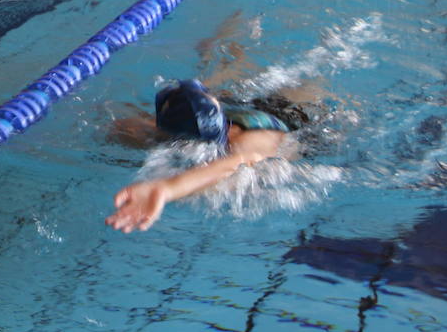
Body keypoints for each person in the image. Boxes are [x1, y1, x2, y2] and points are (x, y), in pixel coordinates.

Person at [105, 79, 307, 233]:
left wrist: (167, 188)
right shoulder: (149, 130)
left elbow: (232, 164)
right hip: (238, 109)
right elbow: (116, 127)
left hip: (292, 117)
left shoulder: (250, 143)